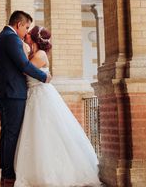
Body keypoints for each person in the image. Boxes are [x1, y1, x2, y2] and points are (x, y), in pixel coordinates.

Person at [13, 26, 101, 187]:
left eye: (29, 33)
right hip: (34, 96)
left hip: (40, 96)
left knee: (44, 132)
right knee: (36, 133)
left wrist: (23, 49)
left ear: (34, 38)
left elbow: (24, 70)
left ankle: (51, 173)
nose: (26, 35)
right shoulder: (35, 53)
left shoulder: (39, 55)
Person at [0, 11, 51, 187]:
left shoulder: (0, 38)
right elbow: (23, 65)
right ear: (18, 25)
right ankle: (9, 175)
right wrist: (44, 77)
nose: (26, 32)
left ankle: (5, 172)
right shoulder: (11, 38)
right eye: (26, 27)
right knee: (11, 134)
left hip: (4, 92)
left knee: (6, 133)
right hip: (13, 93)